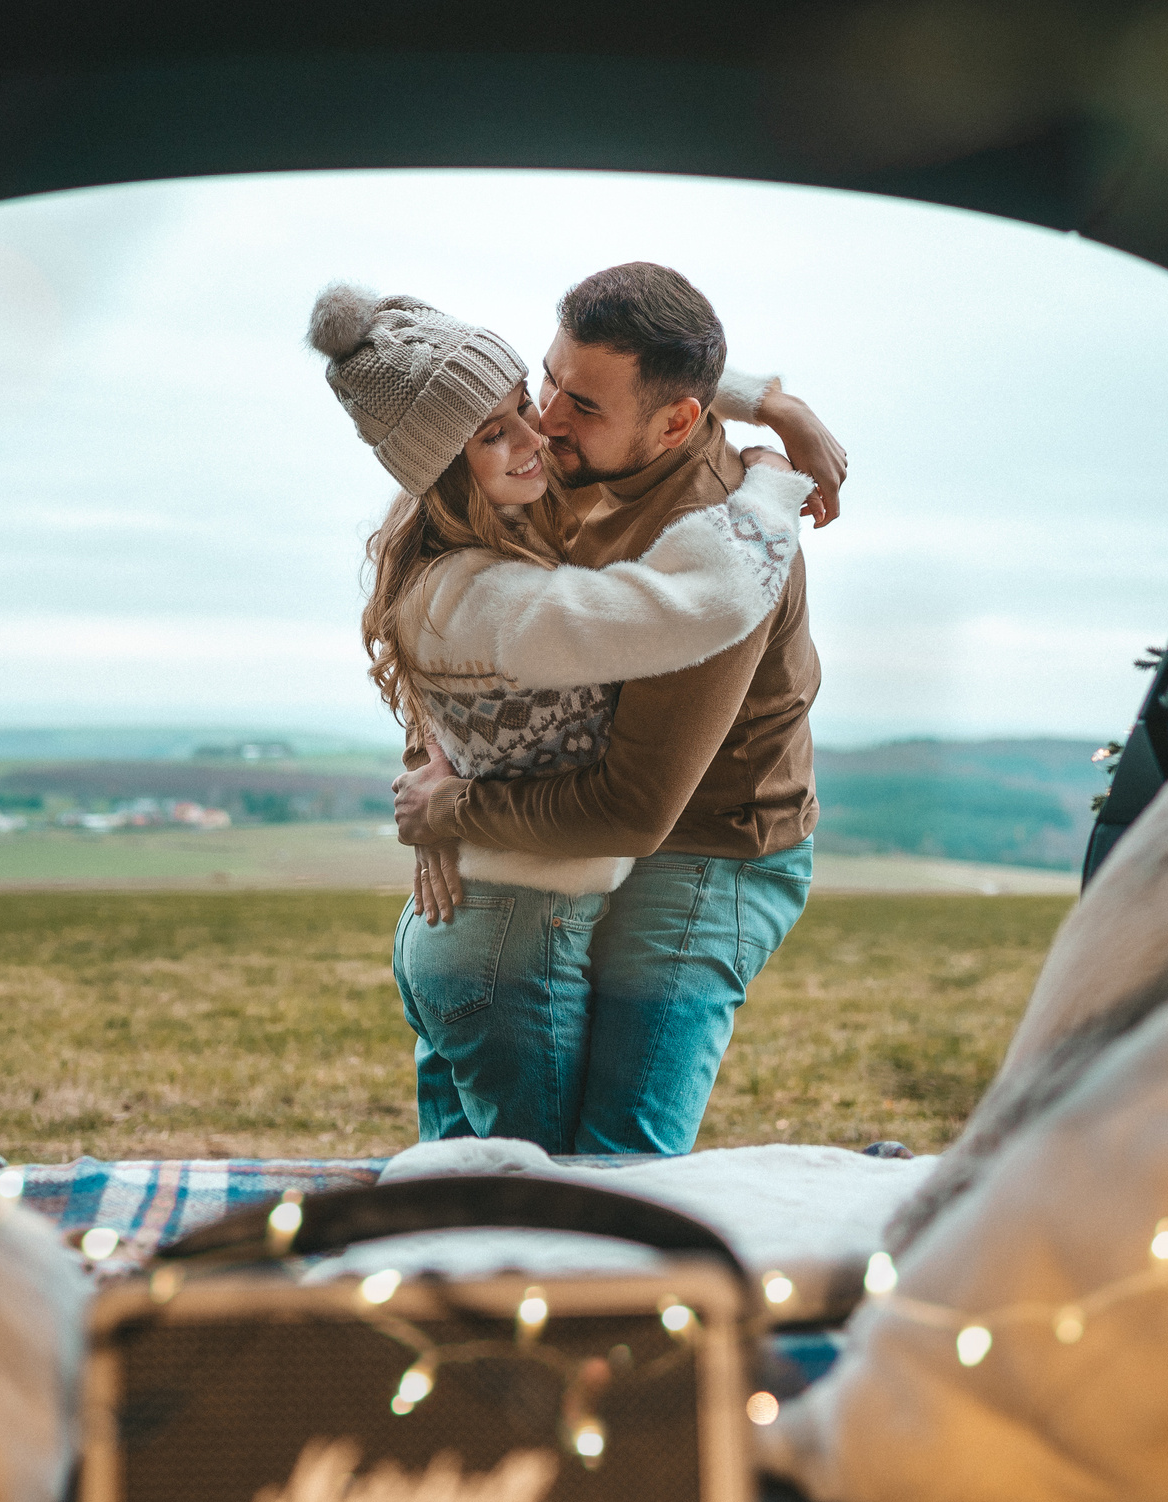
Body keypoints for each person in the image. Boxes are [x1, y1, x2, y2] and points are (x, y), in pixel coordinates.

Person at [308, 283, 831, 1150]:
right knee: (518, 1178)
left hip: (702, 845)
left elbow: (634, 803)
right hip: (554, 865)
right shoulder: (546, 468)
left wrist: (452, 809)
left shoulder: (719, 529)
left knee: (612, 1160)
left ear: (673, 423)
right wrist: (436, 774)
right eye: (543, 381)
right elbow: (468, 642)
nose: (545, 421)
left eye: (574, 403)